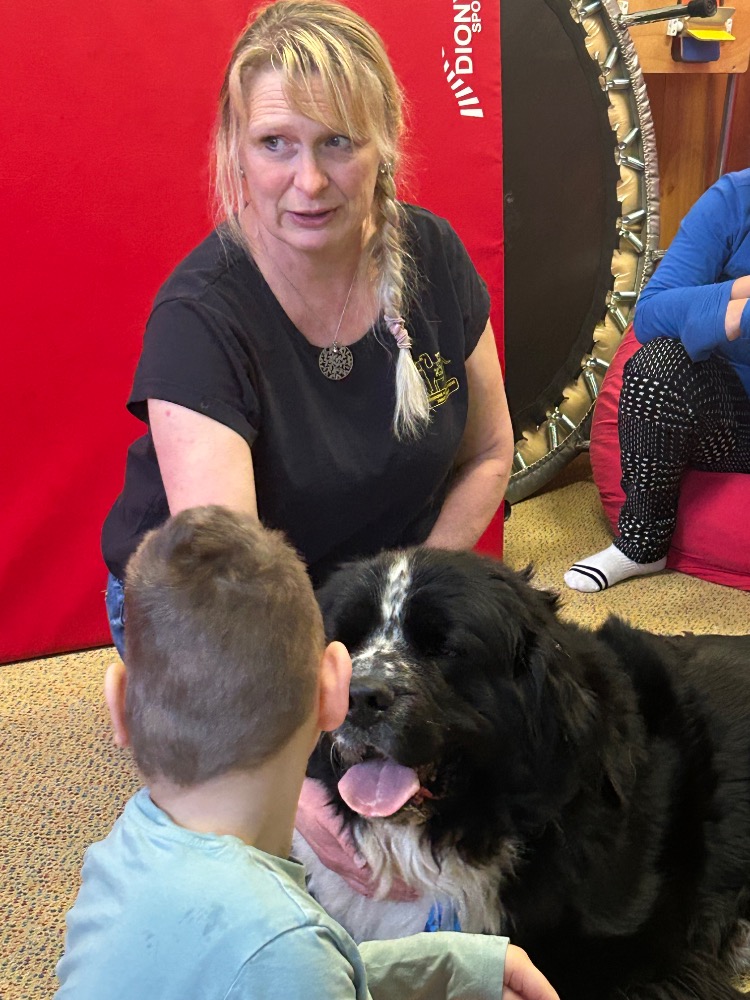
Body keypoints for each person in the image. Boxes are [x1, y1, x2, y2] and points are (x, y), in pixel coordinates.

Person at [101, 0, 513, 656]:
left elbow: (489, 452)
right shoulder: (198, 318)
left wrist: (403, 600)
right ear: (237, 150)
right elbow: (235, 584)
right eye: (276, 144)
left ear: (385, 142)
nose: (310, 181)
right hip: (221, 606)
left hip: (373, 593)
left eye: (337, 141)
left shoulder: (434, 255)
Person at [57, 506, 558, 1000]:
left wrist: (456, 964)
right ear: (335, 691)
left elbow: (303, 966)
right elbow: (296, 965)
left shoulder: (116, 857)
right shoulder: (288, 945)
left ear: (119, 703)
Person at [565, 168, 750, 592]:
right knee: (656, 363)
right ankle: (642, 543)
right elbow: (651, 314)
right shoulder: (733, 199)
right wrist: (738, 303)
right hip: (733, 419)